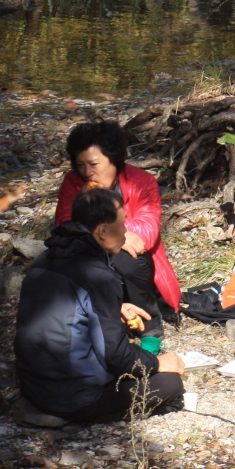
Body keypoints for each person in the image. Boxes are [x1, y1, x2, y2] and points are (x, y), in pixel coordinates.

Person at [16, 188, 186, 422]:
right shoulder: (98, 276)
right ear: (102, 231)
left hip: (32, 388)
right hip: (73, 398)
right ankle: (73, 416)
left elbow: (67, 312)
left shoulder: (47, 259)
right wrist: (157, 363)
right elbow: (115, 355)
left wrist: (116, 306)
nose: (126, 230)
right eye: (123, 223)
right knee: (170, 383)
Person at [54, 121, 180, 352]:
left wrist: (116, 232)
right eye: (80, 165)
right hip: (88, 251)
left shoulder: (141, 182)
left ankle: (149, 324)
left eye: (94, 164)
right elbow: (64, 226)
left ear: (113, 158)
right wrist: (88, 207)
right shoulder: (73, 183)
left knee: (130, 259)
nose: (87, 172)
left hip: (129, 257)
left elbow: (148, 232)